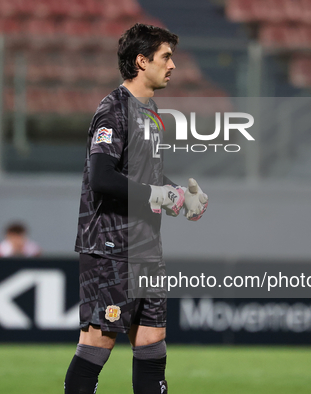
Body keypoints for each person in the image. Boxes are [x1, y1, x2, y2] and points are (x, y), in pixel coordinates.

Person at [65, 23, 209, 394]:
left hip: (145, 247)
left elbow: (149, 176)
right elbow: (102, 177)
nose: (173, 65)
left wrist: (180, 195)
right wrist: (160, 196)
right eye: (166, 57)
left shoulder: (150, 111)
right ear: (142, 61)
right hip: (111, 248)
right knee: (98, 343)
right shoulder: (113, 110)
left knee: (151, 339)